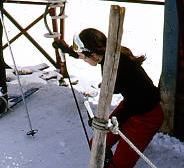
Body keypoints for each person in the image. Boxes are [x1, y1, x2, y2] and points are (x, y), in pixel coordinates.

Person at [54, 28, 163, 168]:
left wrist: (113, 121)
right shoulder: (105, 53)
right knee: (96, 145)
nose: (82, 58)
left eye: (83, 56)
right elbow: (82, 53)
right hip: (130, 106)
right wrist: (66, 49)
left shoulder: (121, 68)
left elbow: (140, 101)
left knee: (119, 165)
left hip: (146, 116)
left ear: (93, 54)